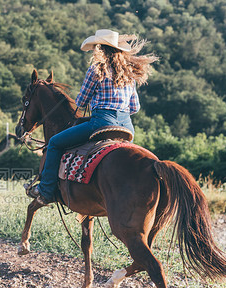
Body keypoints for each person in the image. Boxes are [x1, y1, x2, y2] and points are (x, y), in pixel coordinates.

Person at [27, 29, 158, 205]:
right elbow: (135, 107)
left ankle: (46, 190)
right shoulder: (129, 74)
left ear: (100, 50)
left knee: (55, 143)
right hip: (126, 126)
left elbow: (81, 101)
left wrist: (97, 101)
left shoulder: (97, 70)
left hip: (101, 123)